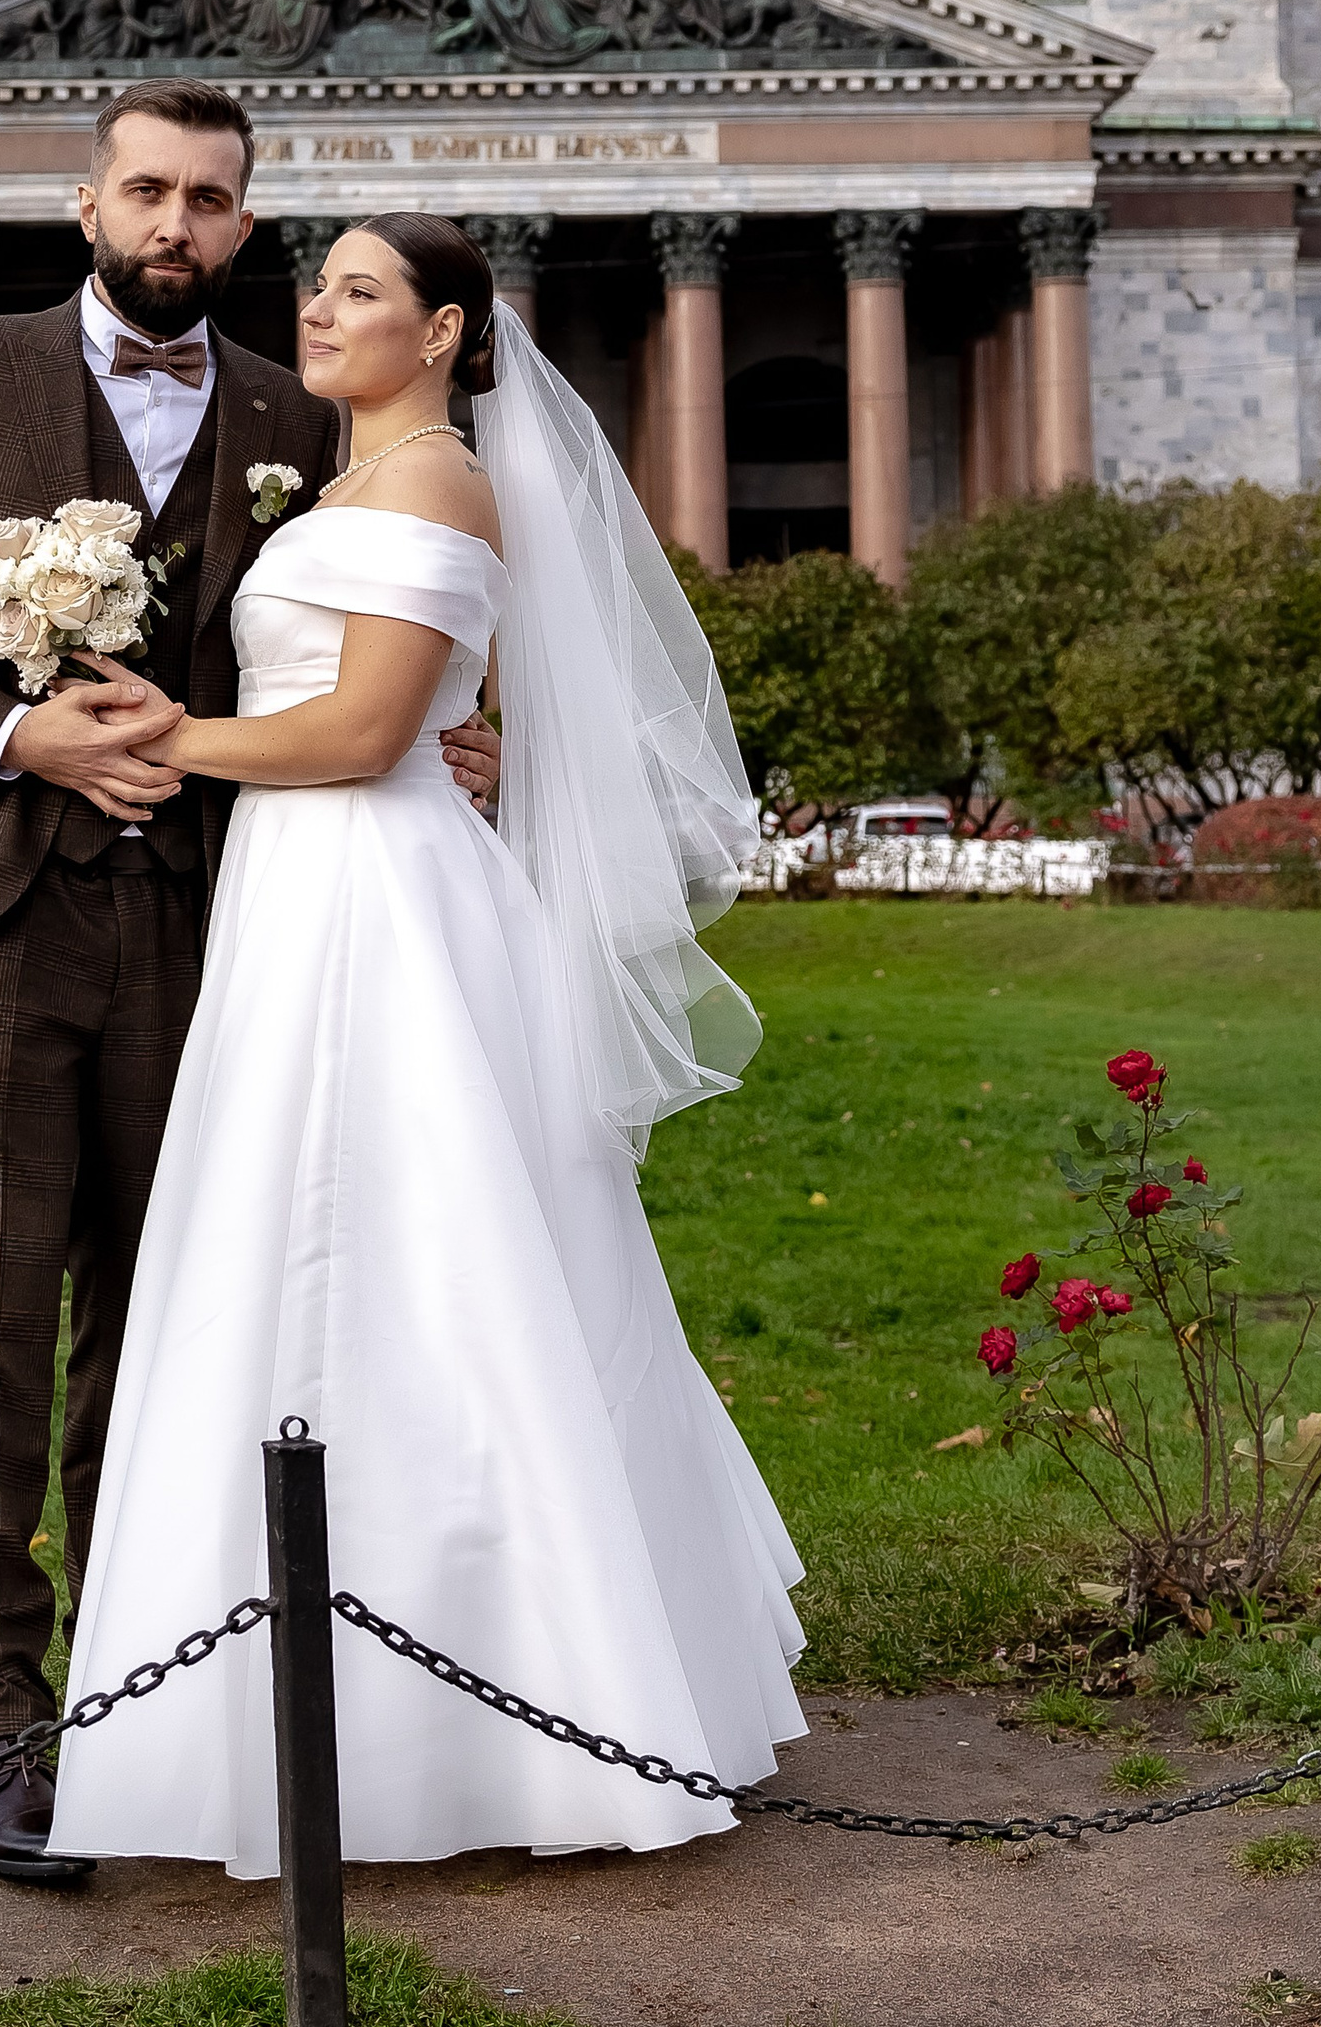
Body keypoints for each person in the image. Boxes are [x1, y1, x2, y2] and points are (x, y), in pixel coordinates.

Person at [51, 215, 804, 1873]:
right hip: (306, 891)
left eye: (361, 291)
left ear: (447, 329)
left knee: (425, 1261)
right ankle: (287, 1710)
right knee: (305, 1256)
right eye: (313, 286)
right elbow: (419, 714)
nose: (318, 309)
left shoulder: (440, 483)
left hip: (376, 903)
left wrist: (175, 737)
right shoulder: (330, 494)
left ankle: (503, 1715)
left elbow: (369, 727)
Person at [0, 86, 499, 1886]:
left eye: (209, 198)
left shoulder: (298, 412)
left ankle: (139, 1692)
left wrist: (451, 729)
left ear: (245, 225)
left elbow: (373, 643)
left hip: (217, 916)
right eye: (147, 190)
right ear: (86, 201)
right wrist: (22, 728)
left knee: (173, 1312)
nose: (175, 222)